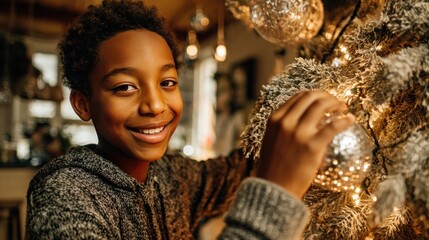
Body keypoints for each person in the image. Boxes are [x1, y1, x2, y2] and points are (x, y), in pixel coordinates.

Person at [24, 1, 355, 239]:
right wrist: (275, 195)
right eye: (125, 87)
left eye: (167, 83)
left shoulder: (172, 175)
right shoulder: (64, 193)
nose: (155, 104)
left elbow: (233, 171)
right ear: (83, 104)